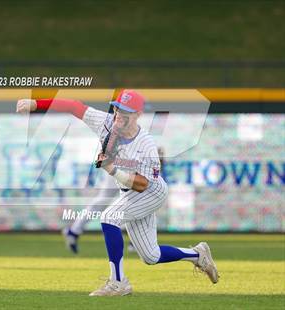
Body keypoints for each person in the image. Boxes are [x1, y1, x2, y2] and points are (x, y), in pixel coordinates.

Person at [16, 90, 219, 296]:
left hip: (150, 192)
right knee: (151, 256)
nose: (119, 114)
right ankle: (197, 255)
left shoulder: (146, 144)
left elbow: (142, 184)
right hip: (129, 192)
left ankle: (118, 282)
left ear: (138, 114)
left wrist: (111, 168)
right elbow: (73, 106)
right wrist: (35, 104)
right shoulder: (105, 122)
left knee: (109, 217)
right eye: (117, 108)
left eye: (126, 112)